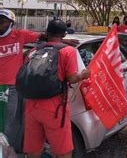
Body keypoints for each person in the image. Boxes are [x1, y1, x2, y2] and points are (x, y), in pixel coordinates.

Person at [0, 9, 77, 148]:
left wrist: (63, 40)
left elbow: (46, 37)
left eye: (2, 21)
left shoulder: (20, 35)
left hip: (15, 87)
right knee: (7, 122)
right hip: (5, 88)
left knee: (15, 121)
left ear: (11, 23)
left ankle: (11, 149)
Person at [23, 19, 90, 158]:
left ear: (47, 32)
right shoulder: (68, 51)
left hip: (31, 106)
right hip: (55, 107)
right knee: (62, 151)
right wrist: (83, 75)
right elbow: (71, 78)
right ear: (64, 35)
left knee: (33, 150)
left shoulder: (33, 51)